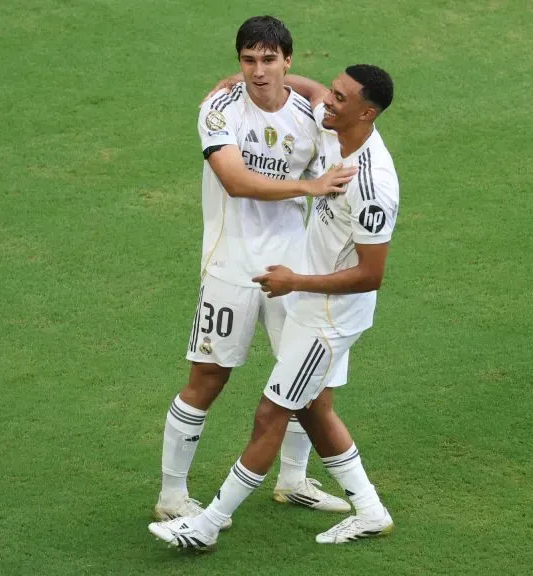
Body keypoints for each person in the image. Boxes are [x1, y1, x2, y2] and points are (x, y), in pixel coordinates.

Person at [149, 64, 400, 550]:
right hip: (309, 303)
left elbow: (372, 276)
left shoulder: (372, 186)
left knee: (271, 415)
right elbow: (309, 89)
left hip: (327, 318)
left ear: (367, 113)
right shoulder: (338, 134)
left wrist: (294, 280)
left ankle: (204, 528)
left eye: (340, 98)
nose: (325, 101)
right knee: (311, 408)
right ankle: (369, 510)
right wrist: (242, 79)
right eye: (332, 92)